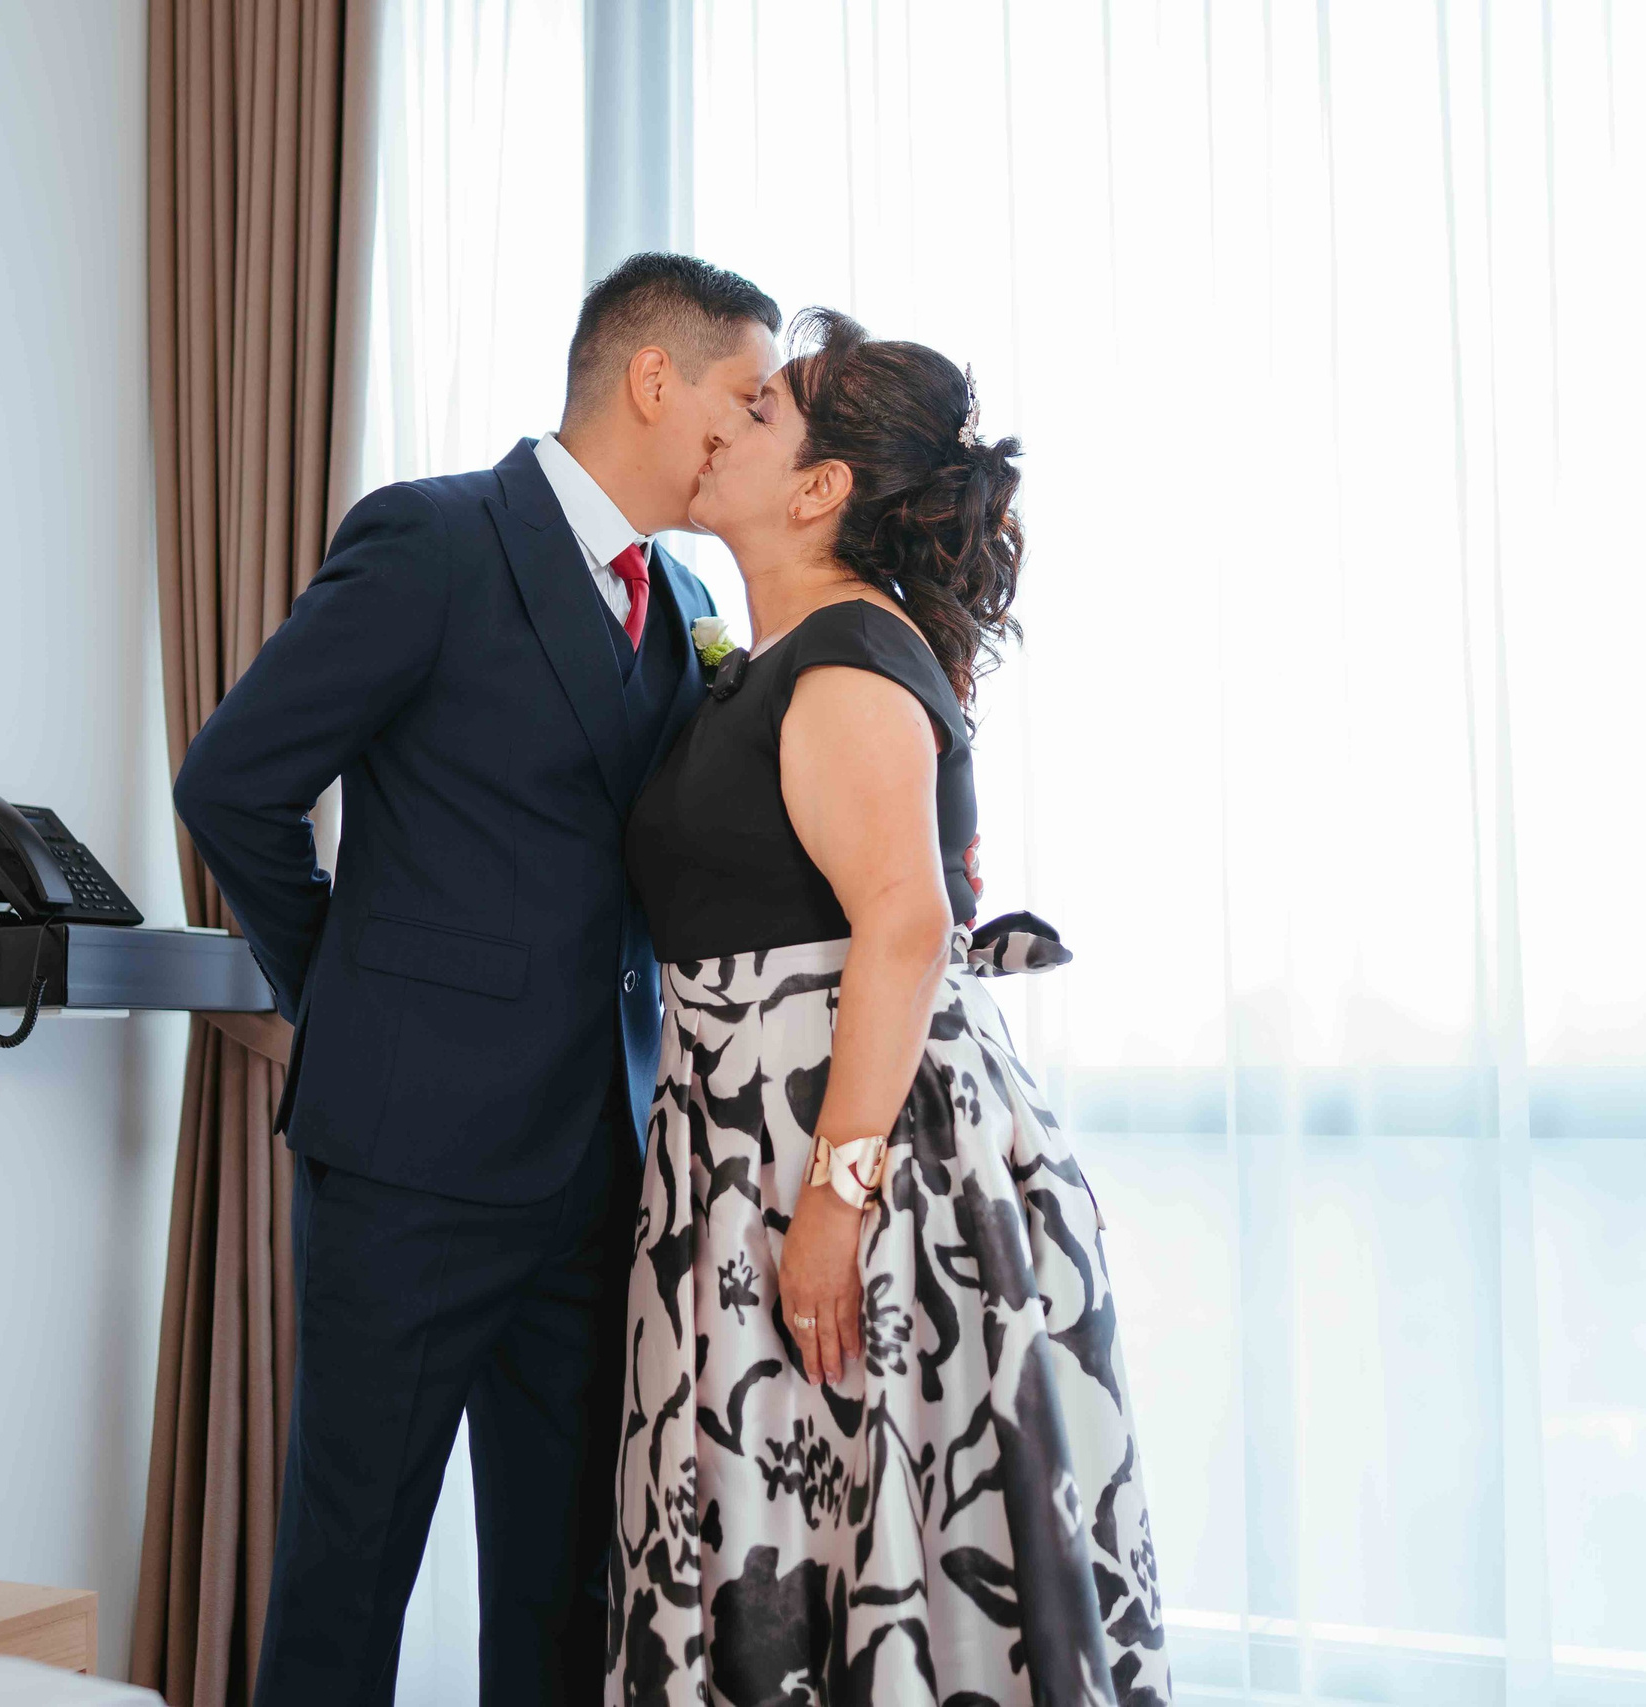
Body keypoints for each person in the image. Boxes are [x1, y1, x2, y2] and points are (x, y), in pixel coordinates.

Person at [172, 253, 780, 1706]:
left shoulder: (688, 596)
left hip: (597, 1172)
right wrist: (343, 990)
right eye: (747, 395)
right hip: (410, 1164)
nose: (756, 428)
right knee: (349, 1580)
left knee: (568, 1600)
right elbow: (232, 783)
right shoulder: (435, 539)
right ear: (655, 380)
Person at [611, 309, 1170, 1707]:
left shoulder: (848, 652)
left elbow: (907, 925)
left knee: (863, 1544)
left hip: (855, 1174)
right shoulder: (797, 653)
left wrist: (834, 1203)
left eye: (763, 411)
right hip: (762, 1148)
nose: (725, 424)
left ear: (821, 488)